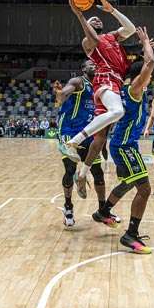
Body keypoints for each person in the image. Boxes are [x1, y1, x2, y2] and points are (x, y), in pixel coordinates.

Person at [61, 0, 139, 192]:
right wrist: (79, 15)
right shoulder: (87, 42)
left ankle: (82, 175)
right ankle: (75, 141)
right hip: (105, 79)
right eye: (91, 19)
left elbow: (131, 28)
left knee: (101, 137)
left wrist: (111, 10)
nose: (95, 18)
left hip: (116, 83)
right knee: (118, 111)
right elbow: (93, 38)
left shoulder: (112, 36)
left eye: (97, 18)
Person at [92, 27, 154, 254]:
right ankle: (130, 235)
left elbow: (141, 65)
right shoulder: (135, 90)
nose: (150, 79)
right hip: (125, 146)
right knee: (145, 189)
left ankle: (104, 211)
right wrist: (145, 43)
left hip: (123, 144)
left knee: (129, 181)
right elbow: (150, 64)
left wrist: (143, 51)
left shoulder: (125, 89)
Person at [52, 61, 116, 227]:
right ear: (82, 69)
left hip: (88, 133)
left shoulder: (101, 88)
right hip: (69, 131)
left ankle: (103, 211)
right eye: (89, 64)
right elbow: (64, 93)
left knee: (98, 173)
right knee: (70, 169)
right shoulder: (79, 82)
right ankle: (68, 207)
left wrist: (102, 143)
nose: (93, 65)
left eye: (95, 64)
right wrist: (59, 93)